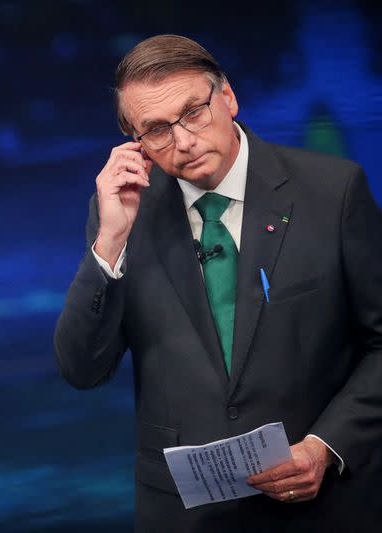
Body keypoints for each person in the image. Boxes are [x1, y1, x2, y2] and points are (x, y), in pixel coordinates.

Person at [54, 34, 382, 531]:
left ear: (227, 96)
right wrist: (110, 243)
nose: (183, 141)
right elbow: (82, 369)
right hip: (185, 516)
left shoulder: (332, 192)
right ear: (134, 141)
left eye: (193, 112)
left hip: (325, 507)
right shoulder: (123, 213)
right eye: (157, 130)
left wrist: (326, 446)